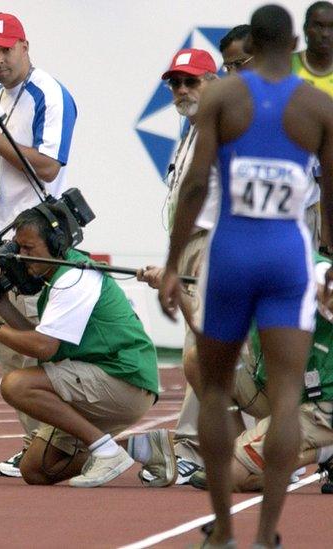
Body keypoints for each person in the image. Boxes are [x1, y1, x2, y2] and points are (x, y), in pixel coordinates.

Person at [159, 6, 333, 547]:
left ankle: (224, 532)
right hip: (287, 255)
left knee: (213, 391)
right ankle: (266, 534)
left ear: (252, 46)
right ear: (298, 41)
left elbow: (192, 188)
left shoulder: (222, 98)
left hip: (232, 252)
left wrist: (170, 264)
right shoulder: (317, 105)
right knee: (285, 397)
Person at [0, 204, 172, 488]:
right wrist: (1, 307)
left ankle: (105, 450)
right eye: (18, 247)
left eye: (29, 248)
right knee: (36, 469)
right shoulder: (59, 276)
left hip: (124, 379)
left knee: (17, 385)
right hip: (101, 375)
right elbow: (40, 338)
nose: (22, 256)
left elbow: (44, 348)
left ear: (57, 244)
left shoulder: (74, 278)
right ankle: (142, 448)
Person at [0, 11, 77, 478]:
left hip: (36, 245)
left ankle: (60, 446)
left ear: (25, 46)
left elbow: (48, 166)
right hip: (0, 242)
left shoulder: (47, 92)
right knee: (8, 349)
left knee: (36, 345)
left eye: (6, 49)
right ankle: (35, 444)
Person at [137, 48, 220, 485]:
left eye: (192, 81)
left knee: (202, 346)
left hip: (211, 244)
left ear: (214, 82)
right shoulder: (191, 130)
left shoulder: (221, 131)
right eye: (176, 83)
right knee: (197, 343)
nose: (182, 90)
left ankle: (193, 444)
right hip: (188, 246)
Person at [187, 252, 333, 493]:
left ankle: (320, 450)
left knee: (225, 475)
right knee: (200, 360)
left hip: (320, 402)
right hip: (278, 389)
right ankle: (251, 449)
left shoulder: (313, 270)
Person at [294, 2, 333, 250]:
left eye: (332, 27)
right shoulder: (286, 68)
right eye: (319, 26)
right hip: (298, 196)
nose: (326, 33)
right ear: (306, 28)